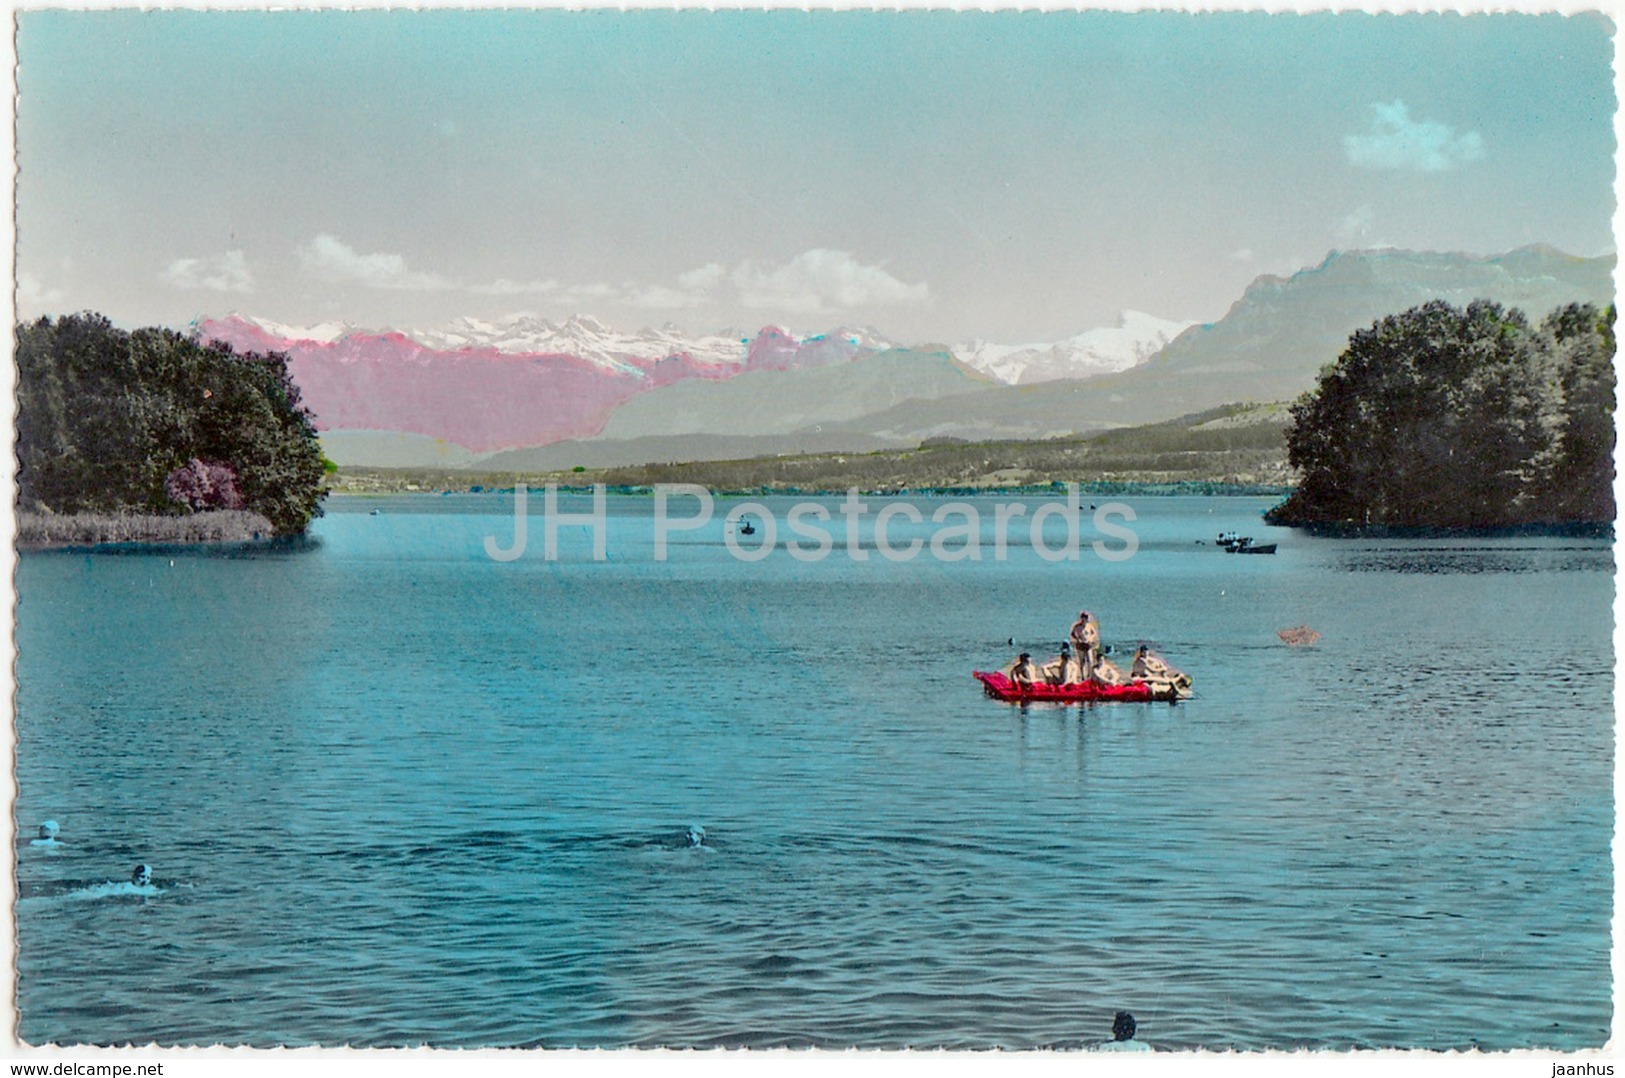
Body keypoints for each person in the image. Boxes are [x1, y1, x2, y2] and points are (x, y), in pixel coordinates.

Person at [1069, 611, 1100, 680]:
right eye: (1085, 617)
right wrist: (1078, 639)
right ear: (1082, 618)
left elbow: (1094, 633)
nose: (1086, 619)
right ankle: (1083, 676)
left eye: (1087, 617)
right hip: (1080, 644)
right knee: (1082, 661)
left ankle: (1089, 675)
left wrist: (1091, 639)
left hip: (1088, 644)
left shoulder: (1089, 626)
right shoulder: (1077, 626)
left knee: (1090, 660)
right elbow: (1072, 634)